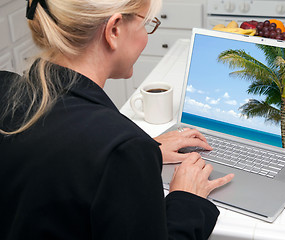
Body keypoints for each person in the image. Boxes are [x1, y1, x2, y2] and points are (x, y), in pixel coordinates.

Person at [0, 0, 234, 239]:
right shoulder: (122, 148)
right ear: (114, 30)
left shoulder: (5, 88)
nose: (146, 37)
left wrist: (139, 154)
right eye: (146, 25)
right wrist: (187, 199)